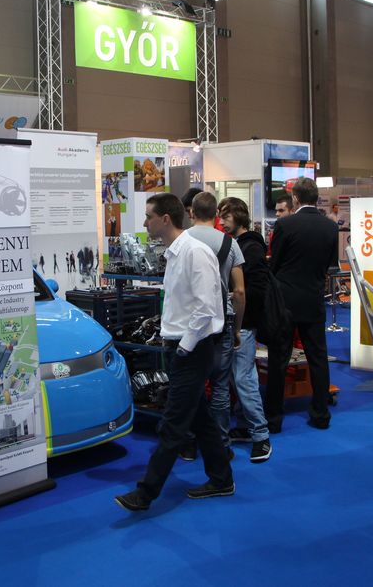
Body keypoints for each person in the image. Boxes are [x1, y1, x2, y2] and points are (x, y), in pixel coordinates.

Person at [114, 193, 232, 511]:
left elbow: (207, 307)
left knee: (173, 423)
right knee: (201, 418)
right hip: (180, 347)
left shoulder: (195, 252)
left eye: (148, 216)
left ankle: (146, 493)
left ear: (165, 219)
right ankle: (222, 478)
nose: (144, 223)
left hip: (192, 350)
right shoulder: (176, 253)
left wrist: (184, 346)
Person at [267, 177, 339, 431]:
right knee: (318, 358)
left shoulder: (285, 225)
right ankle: (321, 414)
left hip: (285, 302)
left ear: (295, 198)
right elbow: (330, 265)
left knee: (278, 359)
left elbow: (274, 264)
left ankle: (273, 418)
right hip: (314, 300)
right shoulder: (330, 227)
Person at [180, 191, 245, 461]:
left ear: (191, 212)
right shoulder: (230, 244)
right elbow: (239, 291)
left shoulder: (181, 241)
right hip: (221, 321)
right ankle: (220, 446)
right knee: (219, 385)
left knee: (191, 385)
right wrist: (237, 327)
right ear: (216, 214)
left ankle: (188, 444)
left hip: (189, 323)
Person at [219, 198, 272, 462]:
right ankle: (246, 426)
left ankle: (261, 435)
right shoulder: (239, 245)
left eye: (226, 216)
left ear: (238, 216)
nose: (222, 221)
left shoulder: (250, 248)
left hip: (245, 323)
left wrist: (241, 319)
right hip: (237, 322)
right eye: (220, 216)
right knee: (236, 377)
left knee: (243, 378)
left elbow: (255, 290)